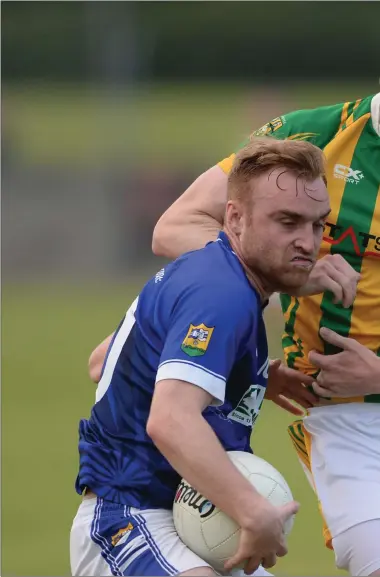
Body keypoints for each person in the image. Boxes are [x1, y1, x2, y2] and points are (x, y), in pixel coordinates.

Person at [70, 137, 332, 577]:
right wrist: (253, 510)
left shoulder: (220, 274)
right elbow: (170, 420)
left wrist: (252, 378)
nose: (307, 242)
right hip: (130, 516)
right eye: (287, 222)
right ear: (235, 217)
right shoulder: (223, 294)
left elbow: (104, 360)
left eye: (317, 225)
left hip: (188, 519)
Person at [151, 92, 380, 576]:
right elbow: (175, 226)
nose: (307, 235)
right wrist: (291, 271)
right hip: (349, 423)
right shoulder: (315, 135)